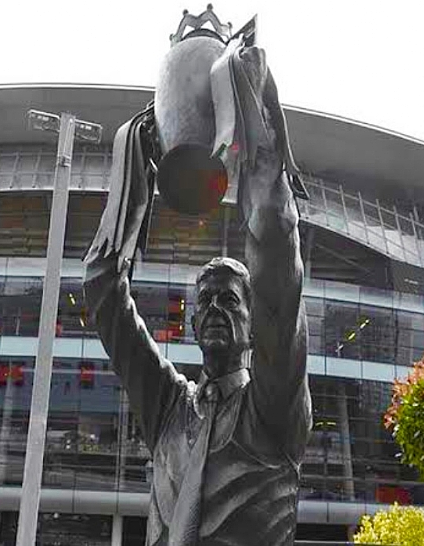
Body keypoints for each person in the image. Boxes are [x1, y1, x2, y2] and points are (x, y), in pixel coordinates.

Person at [84, 49, 311, 546]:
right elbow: (103, 287)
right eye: (204, 301)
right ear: (189, 324)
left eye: (229, 301)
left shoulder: (272, 408)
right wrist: (135, 162)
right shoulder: (168, 406)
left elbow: (277, 266)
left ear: (254, 323)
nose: (213, 310)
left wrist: (254, 127)